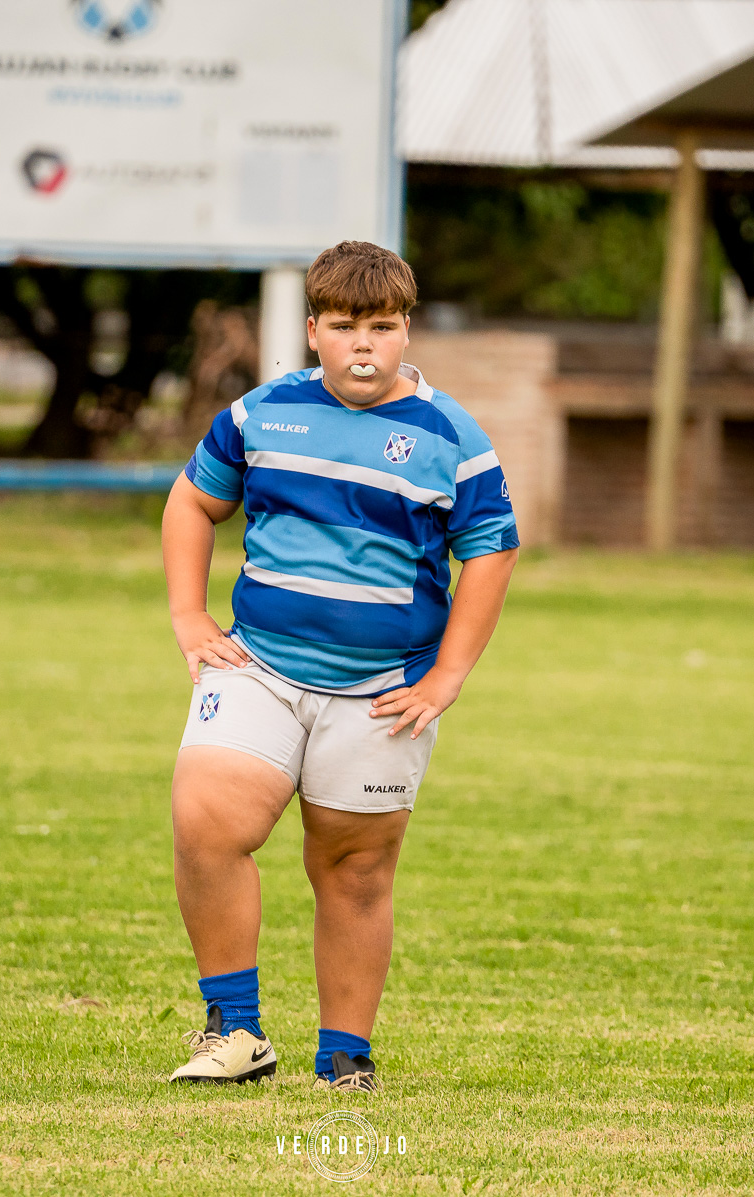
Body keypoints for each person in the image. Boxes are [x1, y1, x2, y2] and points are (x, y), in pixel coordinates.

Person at [160, 241, 519, 1092]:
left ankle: (343, 1059)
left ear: (406, 333)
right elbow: (192, 500)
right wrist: (188, 614)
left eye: (384, 327)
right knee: (206, 822)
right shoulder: (260, 415)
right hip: (262, 667)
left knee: (353, 870)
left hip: (381, 693)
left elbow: (493, 552)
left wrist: (447, 678)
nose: (366, 345)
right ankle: (234, 1032)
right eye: (347, 326)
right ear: (313, 330)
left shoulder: (452, 437)